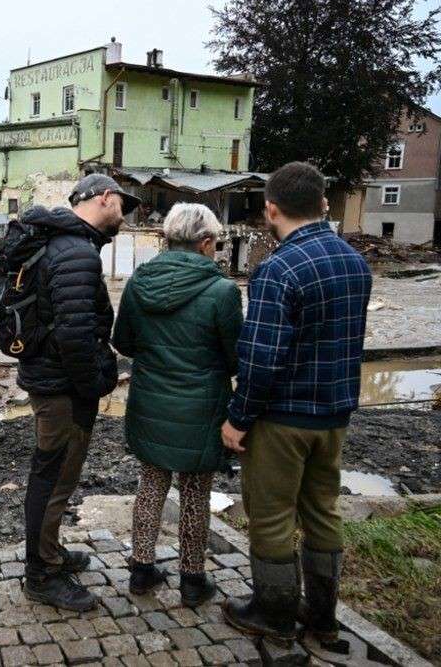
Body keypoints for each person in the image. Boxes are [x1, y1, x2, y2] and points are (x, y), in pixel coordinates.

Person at [220, 162, 372, 644]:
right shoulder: (354, 261)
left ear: (271, 209)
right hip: (334, 417)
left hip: (282, 420)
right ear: (323, 203)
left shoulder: (277, 269)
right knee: (323, 510)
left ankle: (275, 613)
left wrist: (238, 419)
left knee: (270, 517)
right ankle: (323, 616)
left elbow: (261, 358)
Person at [16, 173, 139, 611]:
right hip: (62, 389)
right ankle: (40, 575)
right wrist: (97, 384)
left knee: (56, 476)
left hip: (52, 380)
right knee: (53, 478)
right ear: (105, 198)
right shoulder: (76, 253)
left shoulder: (65, 245)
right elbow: (74, 337)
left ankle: (50, 554)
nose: (125, 214)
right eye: (123, 204)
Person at [112, 203, 242, 608]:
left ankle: (141, 570)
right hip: (202, 408)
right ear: (205, 243)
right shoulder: (223, 291)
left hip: (150, 400)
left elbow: (124, 342)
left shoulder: (138, 282)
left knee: (151, 485)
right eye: (216, 243)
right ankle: (191, 578)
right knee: (195, 492)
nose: (217, 249)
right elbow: (237, 356)